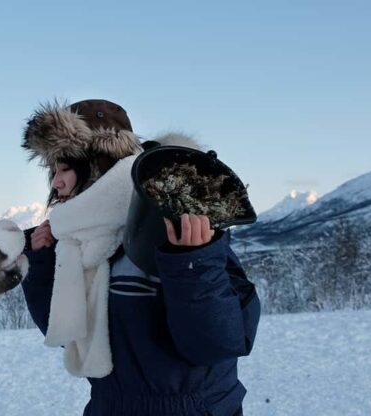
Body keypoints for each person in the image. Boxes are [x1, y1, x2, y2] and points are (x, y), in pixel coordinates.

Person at [20, 99, 260, 416]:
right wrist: (41, 265)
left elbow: (217, 344)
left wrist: (194, 263)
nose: (56, 182)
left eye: (64, 169)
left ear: (99, 163)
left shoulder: (171, 222)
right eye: (52, 171)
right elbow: (69, 335)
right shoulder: (79, 242)